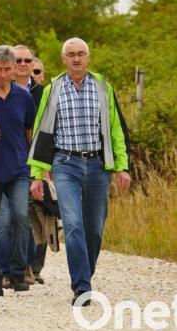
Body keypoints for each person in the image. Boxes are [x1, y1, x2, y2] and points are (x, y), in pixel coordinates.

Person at [28, 37, 132, 306]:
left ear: (88, 56)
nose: (76, 58)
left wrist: (121, 167)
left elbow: (116, 130)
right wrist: (38, 174)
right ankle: (82, 287)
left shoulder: (102, 86)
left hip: (97, 165)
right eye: (71, 54)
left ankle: (85, 274)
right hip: (65, 165)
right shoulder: (52, 89)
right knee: (73, 225)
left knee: (94, 230)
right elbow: (41, 131)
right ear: (63, 59)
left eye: (80, 54)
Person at [0, 46, 36, 296]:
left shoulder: (24, 97)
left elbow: (30, 132)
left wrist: (36, 169)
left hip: (18, 169)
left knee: (21, 217)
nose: (2, 74)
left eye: (7, 69)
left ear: (14, 70)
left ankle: (18, 270)